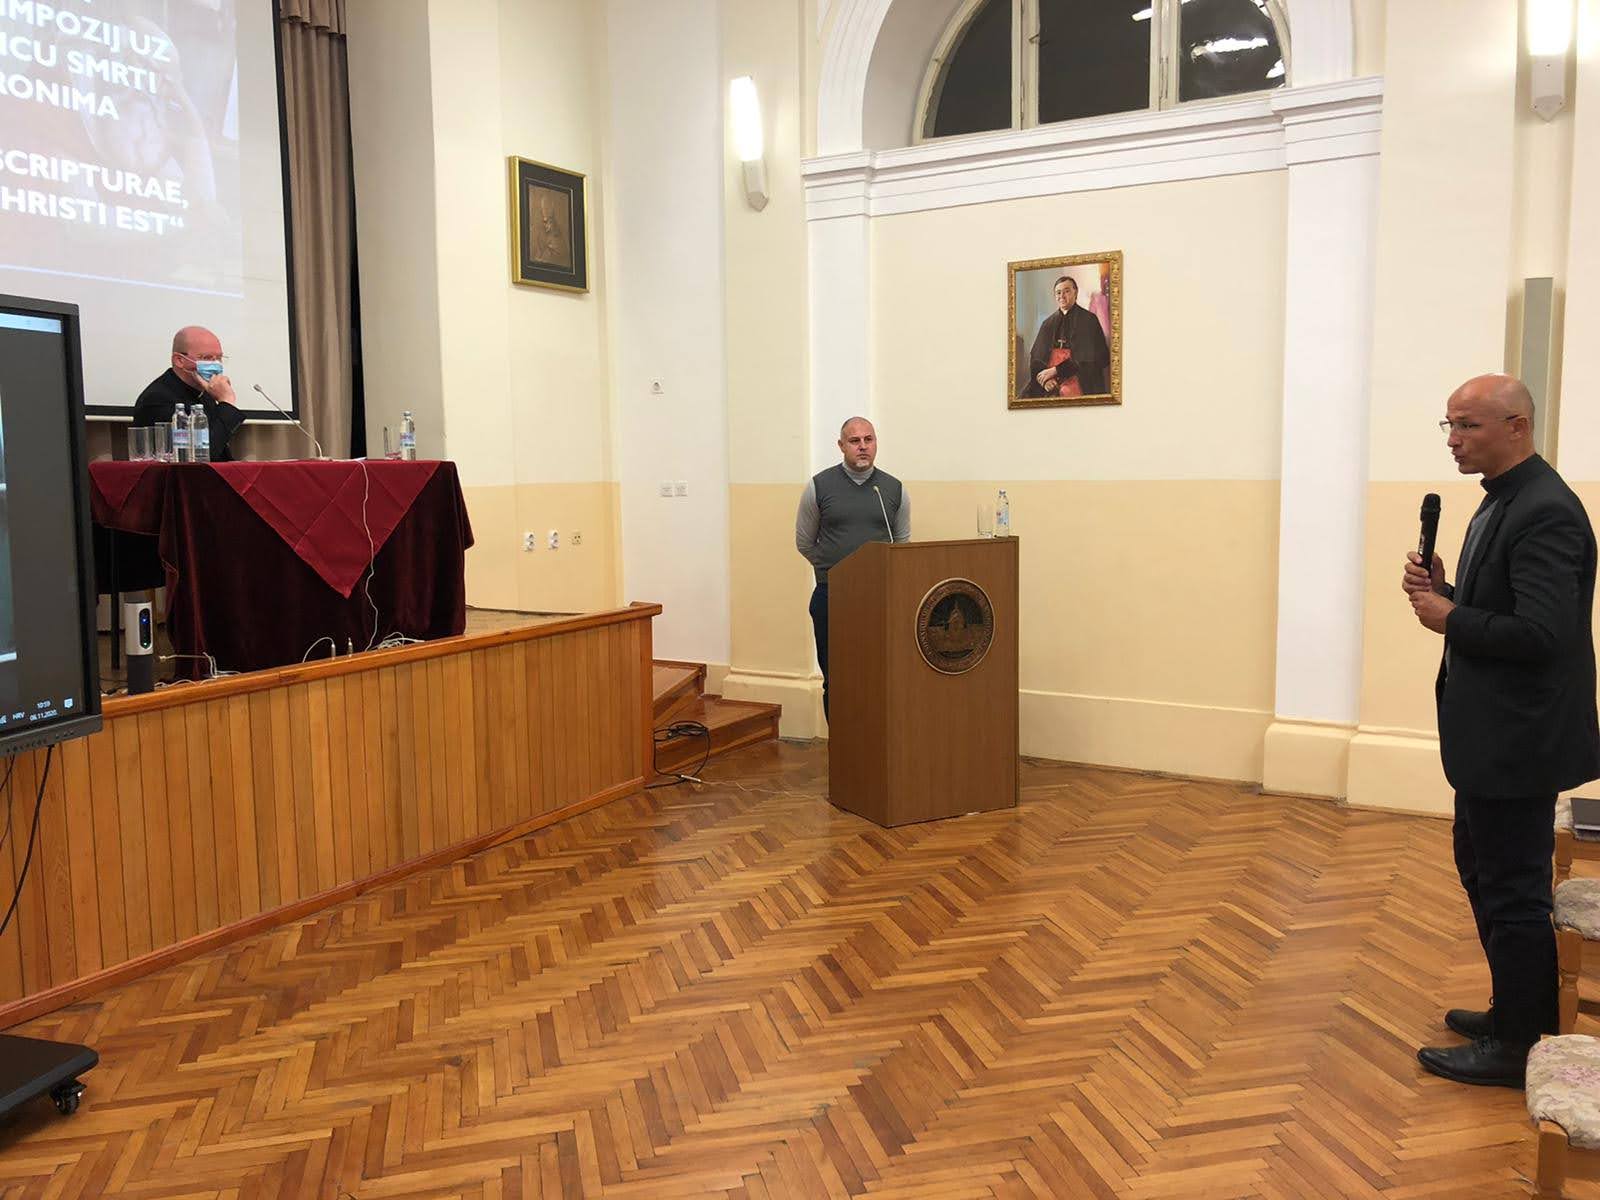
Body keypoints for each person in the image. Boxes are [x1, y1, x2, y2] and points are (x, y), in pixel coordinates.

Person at [1403, 373, 1599, 1088]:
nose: (1453, 440)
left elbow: (1543, 635)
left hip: (1520, 740)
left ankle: (1519, 1046)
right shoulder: (1502, 499)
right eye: (1449, 425)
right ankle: (1517, 1009)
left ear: (1517, 426)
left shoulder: (1545, 511)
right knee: (1483, 871)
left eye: (1468, 426)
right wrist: (1448, 593)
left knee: (1513, 890)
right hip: (1493, 736)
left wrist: (1450, 617)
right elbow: (1509, 612)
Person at [795, 417, 910, 718]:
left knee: (879, 675)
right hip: (832, 596)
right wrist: (833, 570)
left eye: (868, 440)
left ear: (876, 443)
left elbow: (902, 544)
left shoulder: (893, 489)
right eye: (854, 441)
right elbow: (805, 542)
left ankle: (876, 740)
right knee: (837, 678)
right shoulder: (819, 486)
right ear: (841, 445)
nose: (862, 447)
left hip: (879, 597)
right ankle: (842, 744)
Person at [132, 326, 247, 462]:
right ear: (179, 360)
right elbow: (200, 456)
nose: (215, 364)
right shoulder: (158, 398)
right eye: (206, 358)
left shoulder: (204, 392)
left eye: (219, 358)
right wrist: (226, 402)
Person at [1020, 275, 1111, 398]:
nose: (1062, 296)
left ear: (1075, 292)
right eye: (1058, 292)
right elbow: (1036, 358)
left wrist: (1056, 370)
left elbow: (1090, 358)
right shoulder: (1048, 323)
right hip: (1049, 380)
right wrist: (1045, 381)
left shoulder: (1088, 320)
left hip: (1079, 378)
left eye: (1066, 291)